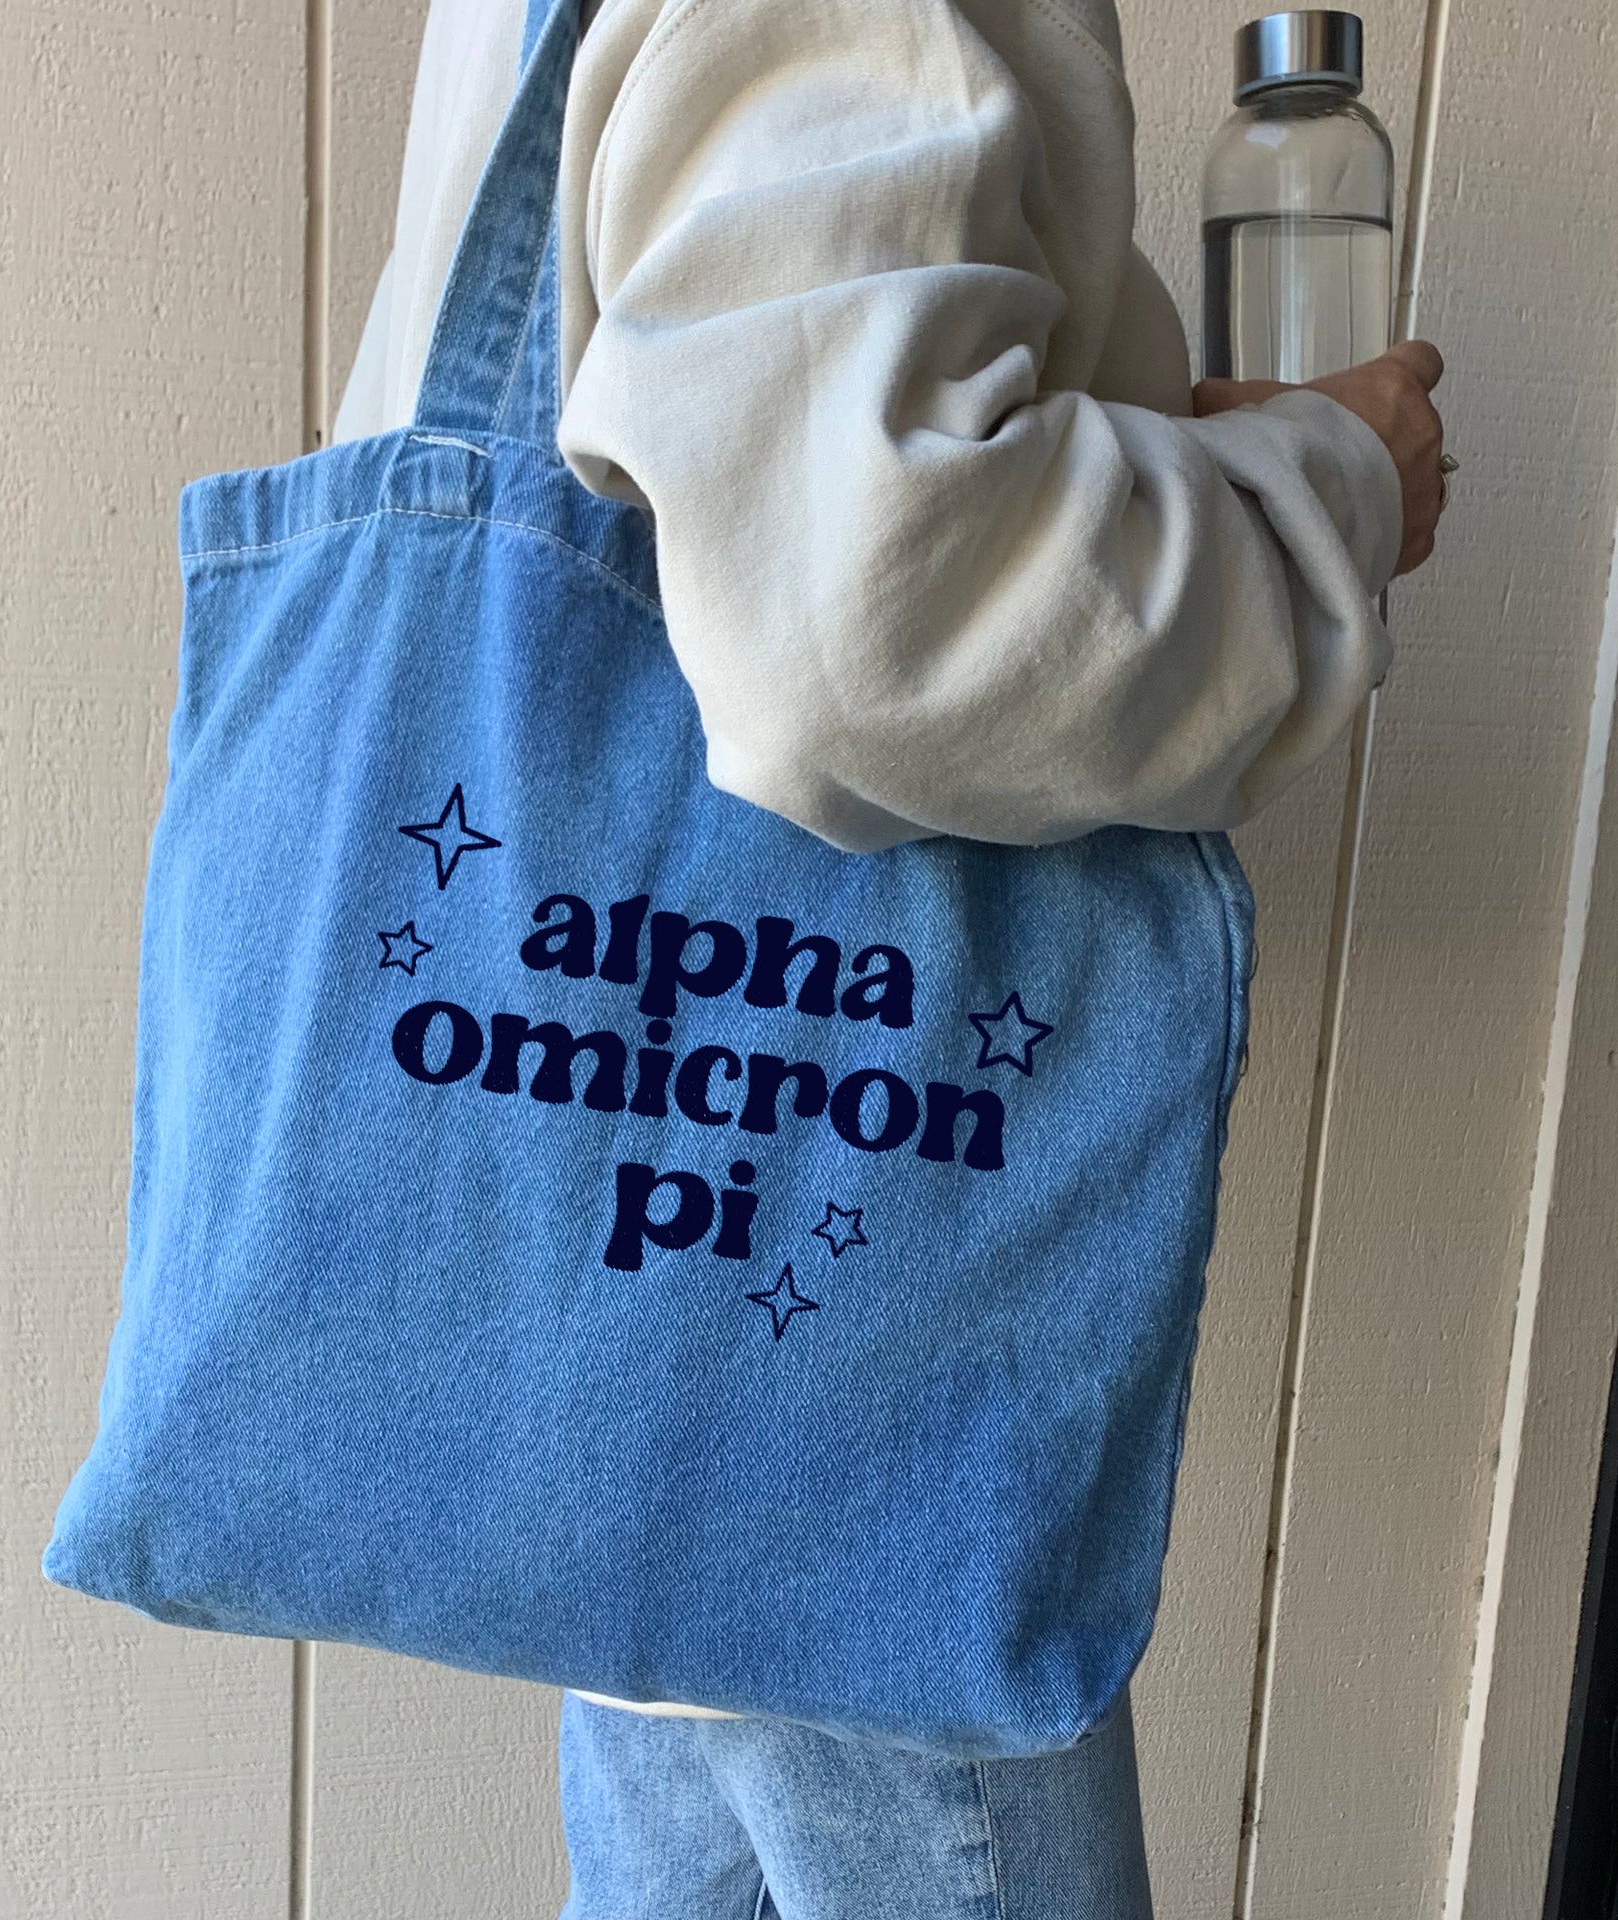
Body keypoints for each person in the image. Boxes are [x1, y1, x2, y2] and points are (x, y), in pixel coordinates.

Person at [334, 0, 1448, 1913]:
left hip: (636, 1281)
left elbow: (739, 463)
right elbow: (870, 625)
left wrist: (1093, 441)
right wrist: (1320, 492)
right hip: (827, 1353)